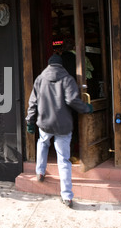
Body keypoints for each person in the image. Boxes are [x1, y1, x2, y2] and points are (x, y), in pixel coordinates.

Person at [25, 54, 93, 208]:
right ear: (61, 65)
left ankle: (40, 171)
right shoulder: (68, 78)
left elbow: (32, 103)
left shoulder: (40, 79)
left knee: (42, 143)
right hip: (63, 125)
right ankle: (67, 196)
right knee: (63, 159)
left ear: (49, 65)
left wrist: (30, 120)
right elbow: (72, 100)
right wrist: (86, 108)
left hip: (45, 123)